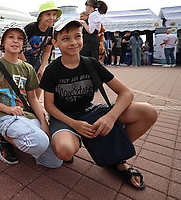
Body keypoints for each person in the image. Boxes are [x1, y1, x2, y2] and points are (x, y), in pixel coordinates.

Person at [40, 19, 157, 189]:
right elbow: (49, 106)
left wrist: (111, 117)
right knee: (64, 151)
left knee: (148, 112)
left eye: (77, 36)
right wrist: (74, 125)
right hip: (65, 119)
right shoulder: (52, 70)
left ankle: (114, 157)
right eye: (65, 38)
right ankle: (76, 139)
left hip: (91, 113)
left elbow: (126, 93)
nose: (73, 42)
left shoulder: (91, 63)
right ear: (55, 43)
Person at [0, 22, 62, 168]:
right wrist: (7, 109)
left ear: (24, 44)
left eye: (20, 38)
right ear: (2, 41)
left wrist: (43, 123)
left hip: (25, 115)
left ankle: (25, 139)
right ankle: (3, 136)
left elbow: (33, 99)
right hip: (3, 116)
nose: (15, 41)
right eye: (11, 37)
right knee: (40, 141)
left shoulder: (28, 68)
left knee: (54, 162)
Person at [20, 1, 62, 99]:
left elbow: (47, 50)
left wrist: (43, 66)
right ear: (40, 16)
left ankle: (35, 104)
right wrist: (25, 63)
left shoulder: (51, 31)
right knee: (23, 83)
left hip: (36, 59)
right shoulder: (31, 28)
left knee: (40, 80)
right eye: (48, 14)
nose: (51, 17)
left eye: (54, 15)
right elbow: (19, 47)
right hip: (22, 58)